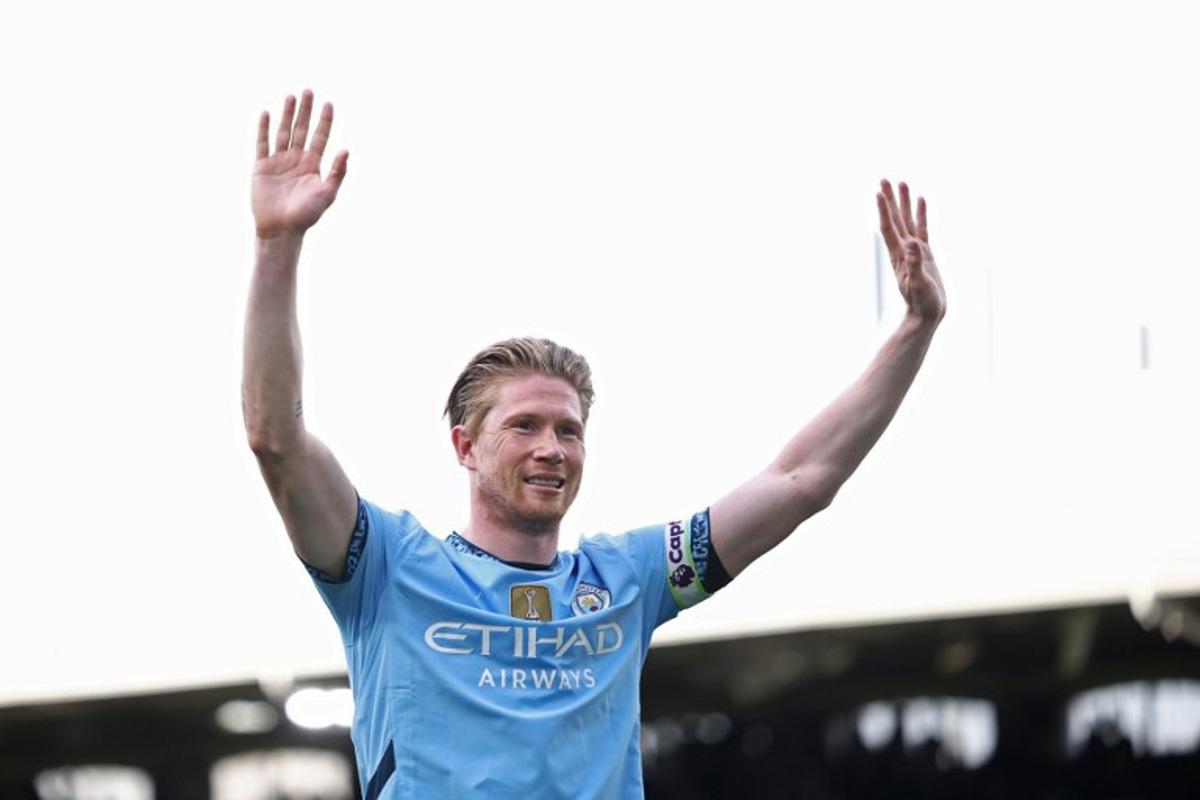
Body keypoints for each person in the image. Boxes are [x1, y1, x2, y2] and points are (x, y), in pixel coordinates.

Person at [242, 90, 947, 800]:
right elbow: (277, 441)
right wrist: (278, 247)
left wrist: (915, 329)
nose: (552, 448)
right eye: (523, 426)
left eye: (568, 430)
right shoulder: (386, 567)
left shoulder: (628, 580)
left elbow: (803, 480)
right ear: (465, 446)